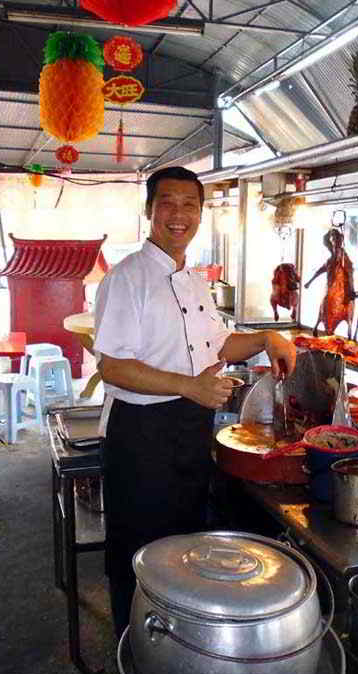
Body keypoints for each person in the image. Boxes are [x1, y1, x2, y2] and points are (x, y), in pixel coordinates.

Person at [93, 166, 297, 636]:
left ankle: (176, 647)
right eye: (167, 202)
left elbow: (219, 346)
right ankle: (135, 649)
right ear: (149, 211)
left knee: (183, 547)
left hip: (189, 429)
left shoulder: (194, 279)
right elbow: (113, 367)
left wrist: (267, 337)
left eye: (190, 204)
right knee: (140, 554)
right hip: (142, 435)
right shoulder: (128, 278)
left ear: (202, 214)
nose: (178, 214)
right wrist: (189, 386)